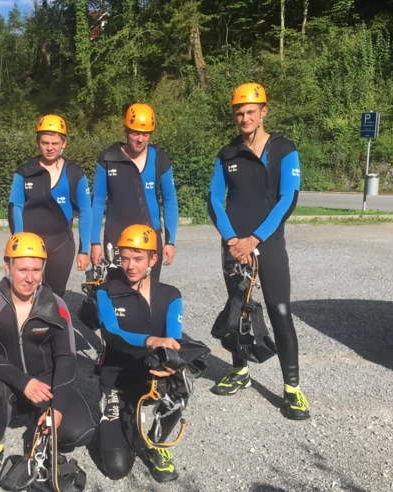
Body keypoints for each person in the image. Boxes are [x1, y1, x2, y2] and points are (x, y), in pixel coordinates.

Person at [206, 82, 309, 420]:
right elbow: (213, 200)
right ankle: (240, 371)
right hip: (234, 246)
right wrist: (234, 240)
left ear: (264, 111)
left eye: (251, 111)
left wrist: (255, 240)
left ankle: (292, 389)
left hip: (269, 243)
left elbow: (287, 199)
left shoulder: (284, 149)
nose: (245, 117)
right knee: (237, 310)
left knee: (280, 312)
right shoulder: (227, 153)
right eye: (239, 113)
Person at [0, 232, 95, 484]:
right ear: (8, 267)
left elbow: (67, 357)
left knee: (78, 432)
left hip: (45, 385)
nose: (30, 278)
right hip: (9, 383)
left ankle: (42, 425)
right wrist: (23, 381)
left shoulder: (56, 304)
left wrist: (57, 407)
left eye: (36, 270)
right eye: (23, 270)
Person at [94, 225, 184, 482]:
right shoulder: (105, 291)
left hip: (151, 379)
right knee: (117, 468)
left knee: (181, 384)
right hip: (117, 383)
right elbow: (110, 333)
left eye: (138, 259)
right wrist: (150, 340)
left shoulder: (171, 295)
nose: (130, 266)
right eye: (124, 258)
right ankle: (124, 420)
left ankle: (156, 442)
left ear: (153, 260)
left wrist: (172, 365)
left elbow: (174, 340)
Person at [90, 104, 178, 278]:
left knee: (148, 294)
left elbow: (170, 201)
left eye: (145, 134)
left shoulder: (160, 158)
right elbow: (98, 201)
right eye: (135, 133)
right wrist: (94, 242)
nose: (140, 139)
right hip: (116, 238)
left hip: (149, 238)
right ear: (125, 130)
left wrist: (170, 242)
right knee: (118, 294)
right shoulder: (108, 158)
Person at [7, 114, 91, 297]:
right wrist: (19, 245)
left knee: (54, 297)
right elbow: (15, 206)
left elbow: (86, 212)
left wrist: (84, 250)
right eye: (45, 143)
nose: (50, 148)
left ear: (64, 143)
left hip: (62, 245)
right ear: (38, 142)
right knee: (27, 296)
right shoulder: (25, 171)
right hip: (30, 247)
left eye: (55, 143)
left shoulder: (75, 173)